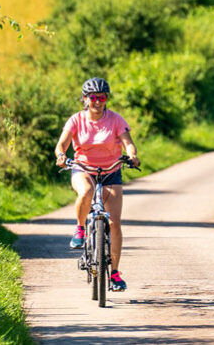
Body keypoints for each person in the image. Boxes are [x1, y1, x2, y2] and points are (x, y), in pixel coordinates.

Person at [55, 77, 139, 293]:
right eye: (93, 97)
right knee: (86, 191)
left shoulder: (116, 120)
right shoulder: (76, 120)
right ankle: (80, 229)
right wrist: (61, 155)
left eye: (102, 97)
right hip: (83, 169)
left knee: (115, 224)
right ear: (85, 99)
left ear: (106, 99)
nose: (98, 102)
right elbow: (62, 144)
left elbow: (128, 143)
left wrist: (132, 156)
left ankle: (115, 273)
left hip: (111, 170)